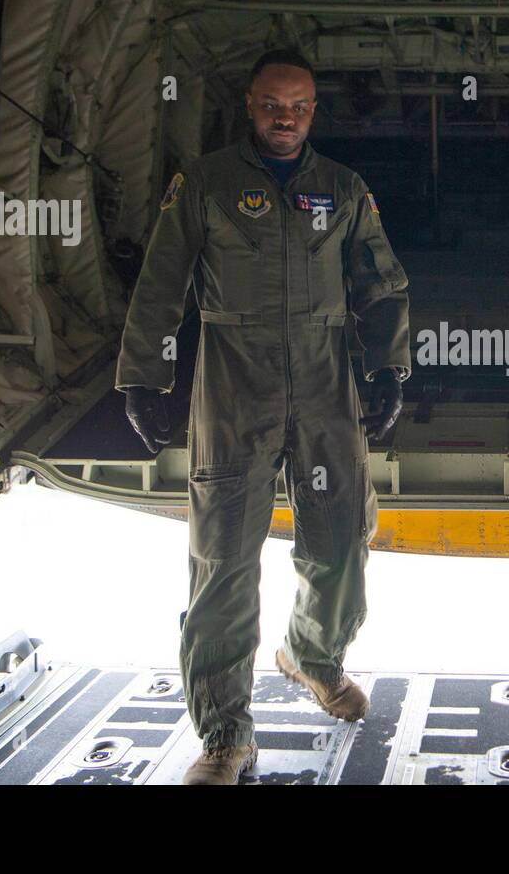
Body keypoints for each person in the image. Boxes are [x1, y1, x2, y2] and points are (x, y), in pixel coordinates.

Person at [116, 48, 410, 784]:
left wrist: (388, 368)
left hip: (323, 382)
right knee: (223, 562)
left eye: (300, 106)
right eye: (273, 105)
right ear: (251, 106)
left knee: (342, 539)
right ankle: (225, 736)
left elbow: (380, 281)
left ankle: (312, 656)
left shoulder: (342, 188)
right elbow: (162, 282)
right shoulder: (207, 182)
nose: (286, 118)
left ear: (314, 111)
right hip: (233, 383)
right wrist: (144, 378)